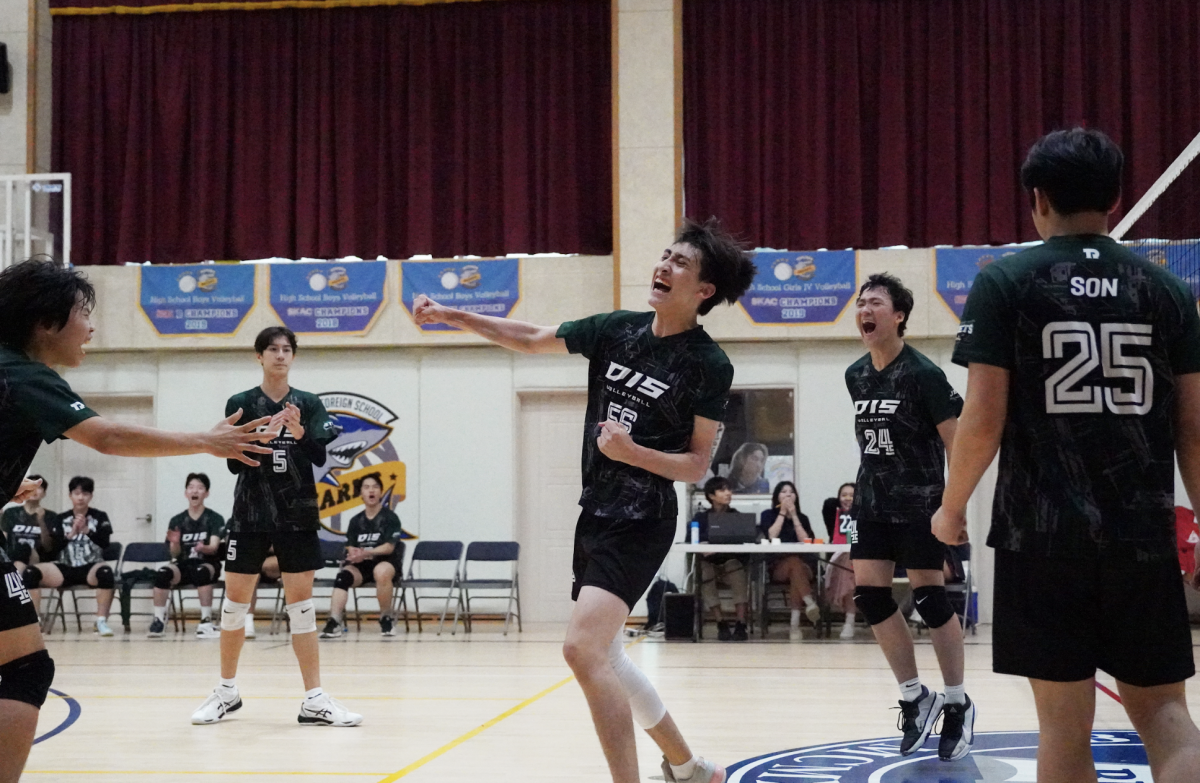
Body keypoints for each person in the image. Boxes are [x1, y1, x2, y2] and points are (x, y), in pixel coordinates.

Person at [413, 217, 756, 783]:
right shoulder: (616, 330)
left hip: (643, 518)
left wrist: (632, 452)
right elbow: (529, 337)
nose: (663, 266)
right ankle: (690, 767)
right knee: (609, 656)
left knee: (581, 649)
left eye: (680, 263)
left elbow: (696, 465)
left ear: (704, 291)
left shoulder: (708, 364)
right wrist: (453, 316)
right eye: (664, 255)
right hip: (593, 512)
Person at [934, 127, 1200, 783]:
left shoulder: (1006, 283)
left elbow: (982, 418)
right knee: (1168, 715)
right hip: (1142, 537)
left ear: (1038, 197)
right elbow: (1194, 427)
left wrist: (950, 508)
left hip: (1041, 537)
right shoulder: (1166, 291)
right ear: (1114, 196)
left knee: (1062, 725)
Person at [0, 258, 273, 783]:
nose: (92, 326)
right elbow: (107, 437)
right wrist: (204, 441)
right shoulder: (27, 375)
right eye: (83, 312)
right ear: (45, 322)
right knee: (24, 669)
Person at [190, 326, 362, 728]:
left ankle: (314, 699)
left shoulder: (310, 403)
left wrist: (299, 433)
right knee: (234, 605)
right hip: (249, 515)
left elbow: (319, 456)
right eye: (273, 349)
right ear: (259, 356)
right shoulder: (241, 402)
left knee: (301, 608)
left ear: (293, 357)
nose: (280, 355)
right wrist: (258, 440)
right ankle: (226, 692)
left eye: (287, 349)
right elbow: (232, 462)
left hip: (297, 515)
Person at [846, 272, 974, 762]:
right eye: (861, 302)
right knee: (870, 597)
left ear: (898, 315)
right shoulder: (855, 375)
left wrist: (954, 505)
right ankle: (915, 696)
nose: (865, 309)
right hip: (872, 503)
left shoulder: (923, 374)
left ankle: (958, 703)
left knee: (929, 597)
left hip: (921, 503)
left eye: (875, 301)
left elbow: (957, 443)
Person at [24, 476, 116, 636]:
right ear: (70, 495)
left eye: (85, 493)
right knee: (30, 573)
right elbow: (52, 550)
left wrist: (87, 530)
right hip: (64, 565)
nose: (80, 497)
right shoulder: (60, 518)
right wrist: (72, 533)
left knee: (106, 573)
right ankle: (34, 621)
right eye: (76, 493)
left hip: (91, 566)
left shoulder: (101, 516)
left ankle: (101, 621)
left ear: (91, 496)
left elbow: (105, 544)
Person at [321, 473, 402, 638]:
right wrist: (353, 553)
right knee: (343, 577)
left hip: (385, 562)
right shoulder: (355, 521)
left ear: (380, 492)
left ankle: (386, 617)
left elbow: (388, 547)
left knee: (381, 572)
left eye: (375, 487)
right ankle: (334, 621)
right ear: (361, 494)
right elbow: (350, 545)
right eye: (366, 487)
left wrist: (367, 552)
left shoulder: (390, 518)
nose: (371, 490)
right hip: (362, 565)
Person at [148, 473, 226, 639]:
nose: (194, 491)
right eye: (191, 487)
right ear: (186, 493)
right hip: (184, 564)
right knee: (163, 573)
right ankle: (158, 620)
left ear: (206, 493)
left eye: (199, 488)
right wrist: (175, 543)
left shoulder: (214, 518)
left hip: (207, 563)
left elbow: (213, 548)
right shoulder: (177, 520)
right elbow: (174, 554)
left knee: (200, 572)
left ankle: (205, 621)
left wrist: (202, 547)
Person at [758, 481, 820, 640]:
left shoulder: (803, 517)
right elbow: (771, 535)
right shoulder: (767, 514)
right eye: (783, 492)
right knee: (793, 563)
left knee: (796, 569)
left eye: (791, 492)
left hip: (804, 565)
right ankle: (808, 604)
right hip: (778, 566)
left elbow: (806, 541)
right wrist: (782, 513)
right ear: (776, 496)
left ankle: (795, 626)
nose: (787, 495)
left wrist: (794, 516)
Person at [693, 476, 750, 642]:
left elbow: (744, 537)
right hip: (710, 564)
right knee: (704, 573)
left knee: (736, 570)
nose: (728, 493)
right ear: (711, 496)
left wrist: (713, 542)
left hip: (731, 563)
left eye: (729, 490)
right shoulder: (701, 518)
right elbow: (692, 537)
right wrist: (708, 544)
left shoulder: (737, 516)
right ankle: (721, 623)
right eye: (722, 490)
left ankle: (741, 623)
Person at [822, 483, 858, 640]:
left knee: (851, 568)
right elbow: (829, 503)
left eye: (852, 495)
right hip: (838, 559)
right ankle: (849, 620)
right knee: (848, 570)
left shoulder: (865, 514)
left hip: (861, 559)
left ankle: (849, 621)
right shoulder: (833, 513)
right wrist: (845, 505)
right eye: (844, 495)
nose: (848, 498)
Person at [1, 474, 53, 571]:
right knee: (22, 549)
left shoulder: (51, 516)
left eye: (39, 487)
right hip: (14, 557)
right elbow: (4, 538)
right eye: (30, 487)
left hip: (40, 560)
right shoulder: (11, 512)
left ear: (44, 493)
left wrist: (41, 521)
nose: (34, 491)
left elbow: (48, 547)